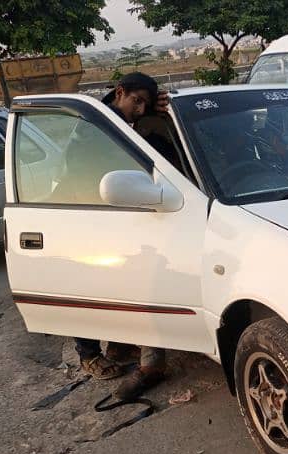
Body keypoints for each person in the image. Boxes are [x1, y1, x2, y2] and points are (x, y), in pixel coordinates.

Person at [74, 72, 169, 400]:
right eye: (136, 101)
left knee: (115, 282)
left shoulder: (112, 117)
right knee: (87, 288)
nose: (140, 109)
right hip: (84, 214)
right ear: (119, 93)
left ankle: (117, 344)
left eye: (145, 103)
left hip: (108, 213)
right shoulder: (97, 125)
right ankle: (87, 356)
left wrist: (158, 111)